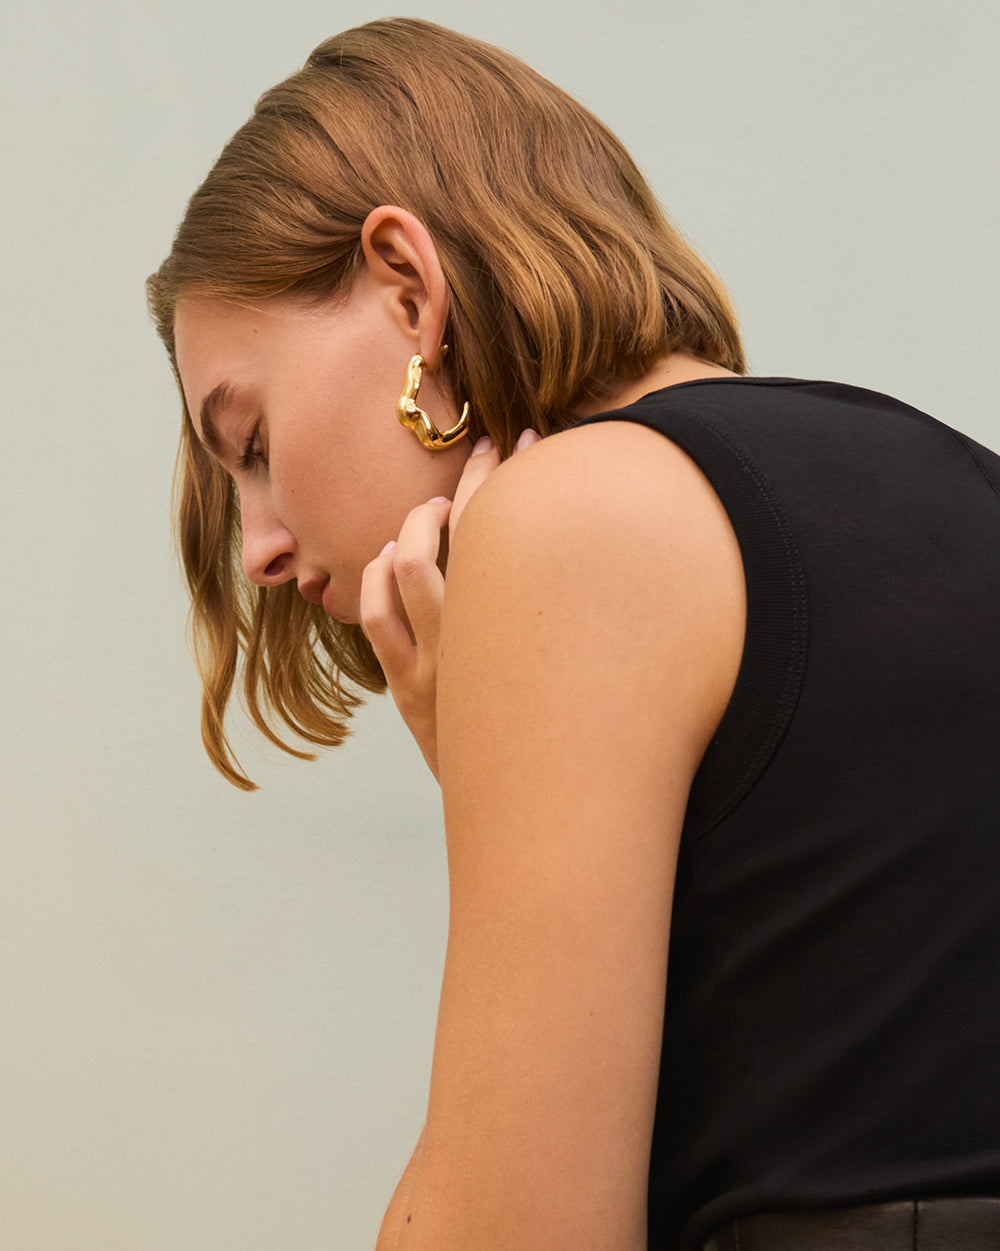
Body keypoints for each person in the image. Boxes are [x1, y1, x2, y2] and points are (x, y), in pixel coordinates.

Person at [147, 18, 1000, 1251]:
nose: (260, 549)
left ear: (407, 290)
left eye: (257, 445)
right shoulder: (958, 481)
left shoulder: (576, 519)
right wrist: (484, 757)